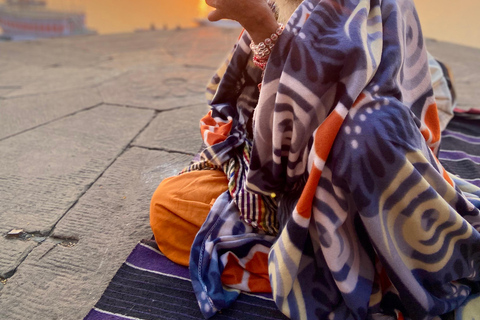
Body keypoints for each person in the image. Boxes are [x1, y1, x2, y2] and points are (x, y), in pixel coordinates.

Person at [150, 0, 480, 319]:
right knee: (170, 203)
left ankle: (314, 259)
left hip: (349, 178)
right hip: (296, 177)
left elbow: (297, 130)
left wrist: (262, 26)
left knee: (372, 132)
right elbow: (244, 102)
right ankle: (301, 248)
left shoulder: (373, 121)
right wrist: (261, 30)